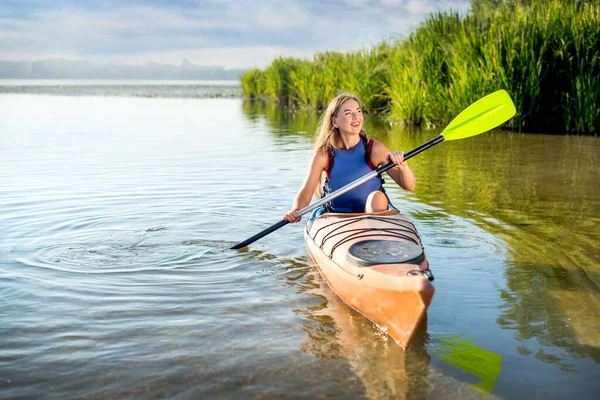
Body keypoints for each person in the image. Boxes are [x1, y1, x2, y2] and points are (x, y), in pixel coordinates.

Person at [283, 93, 416, 223]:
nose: (356, 116)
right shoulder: (324, 154)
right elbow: (306, 193)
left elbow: (409, 186)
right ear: (335, 122)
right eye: (348, 113)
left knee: (378, 197)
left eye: (358, 111)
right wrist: (296, 210)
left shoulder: (374, 149)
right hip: (337, 216)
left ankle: (374, 234)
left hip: (373, 213)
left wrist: (403, 168)